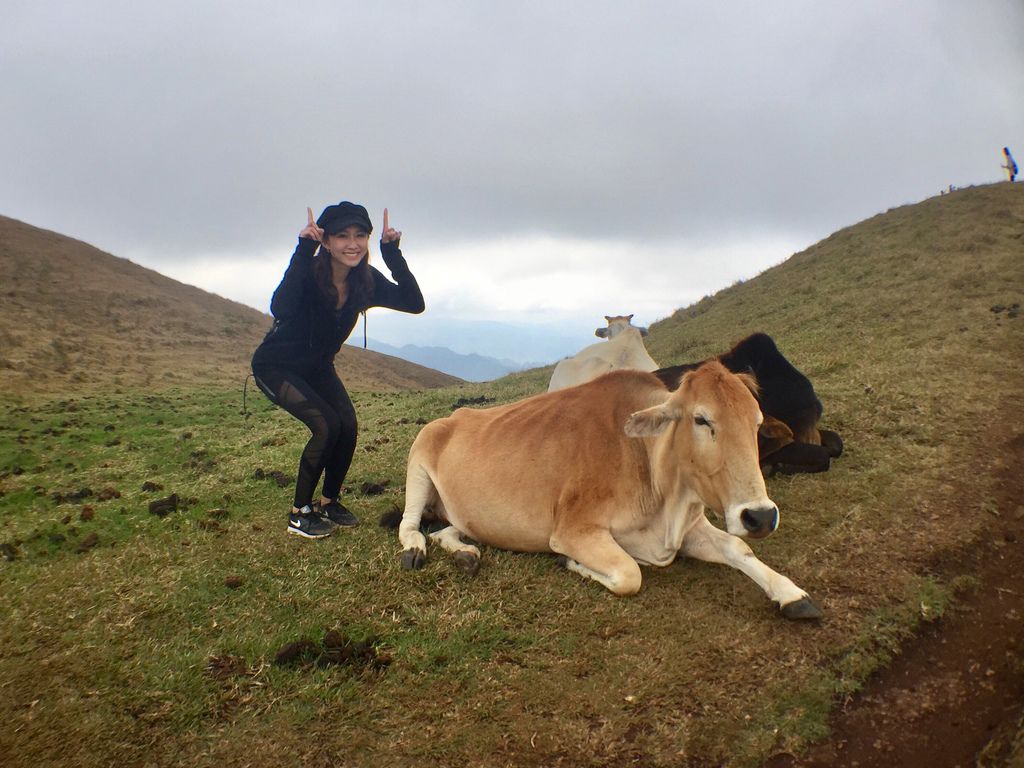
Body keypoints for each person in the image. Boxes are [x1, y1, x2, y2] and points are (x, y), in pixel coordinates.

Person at [251, 202, 424, 538]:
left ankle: (328, 502)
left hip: (317, 367)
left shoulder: (366, 281)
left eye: (360, 235)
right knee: (326, 425)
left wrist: (392, 254)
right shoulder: (309, 271)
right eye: (342, 235)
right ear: (326, 242)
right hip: (276, 366)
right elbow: (280, 308)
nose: (352, 243)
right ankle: (299, 513)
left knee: (347, 425)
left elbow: (414, 303)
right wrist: (303, 249)